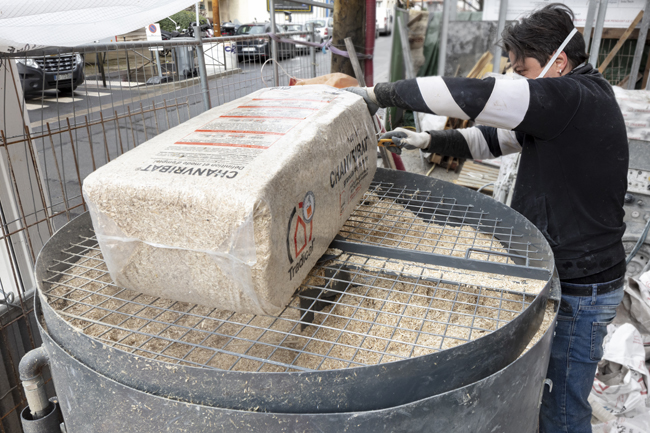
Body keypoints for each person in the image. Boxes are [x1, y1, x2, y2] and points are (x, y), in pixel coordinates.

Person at [345, 4, 628, 433]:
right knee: (547, 393)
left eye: (524, 68)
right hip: (567, 274)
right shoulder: (566, 103)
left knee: (564, 409)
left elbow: (476, 95)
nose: (516, 78)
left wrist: (377, 95)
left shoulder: (573, 97)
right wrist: (427, 138)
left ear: (560, 62)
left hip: (583, 288)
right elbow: (491, 140)